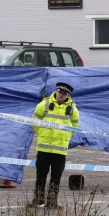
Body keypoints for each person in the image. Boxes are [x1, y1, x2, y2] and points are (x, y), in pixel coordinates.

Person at [30, 81, 79, 209]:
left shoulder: (72, 109)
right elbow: (34, 121)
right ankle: (38, 200)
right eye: (60, 91)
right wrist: (42, 132)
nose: (61, 94)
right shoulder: (44, 104)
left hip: (60, 150)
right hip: (44, 147)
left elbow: (75, 127)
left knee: (56, 177)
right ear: (56, 91)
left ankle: (52, 202)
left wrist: (65, 136)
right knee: (41, 175)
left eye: (64, 93)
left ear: (68, 95)